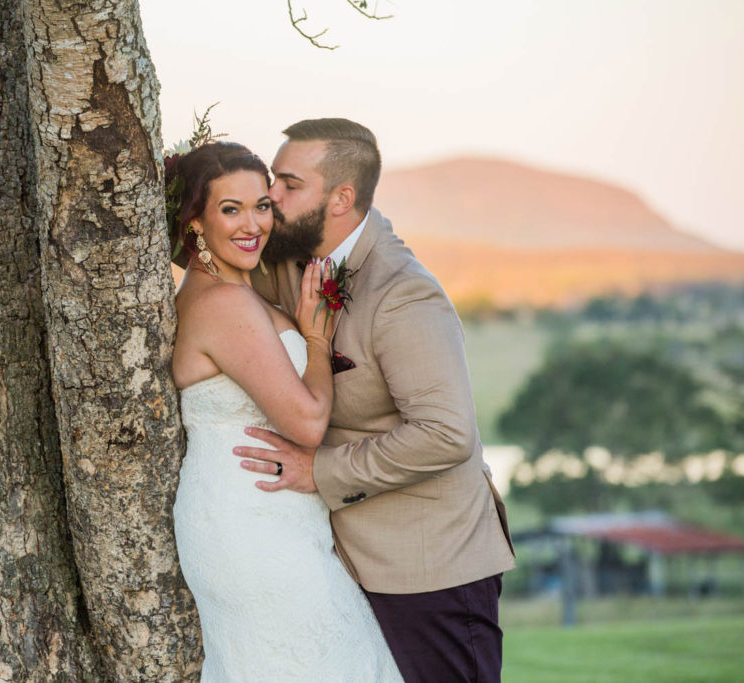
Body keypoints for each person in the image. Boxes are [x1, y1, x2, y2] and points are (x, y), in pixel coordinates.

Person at [235, 118, 517, 683]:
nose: (271, 197)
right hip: (335, 559)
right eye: (273, 179)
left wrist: (319, 470)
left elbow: (446, 434)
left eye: (289, 185)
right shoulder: (286, 257)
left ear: (341, 198)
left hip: (431, 568)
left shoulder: (404, 293)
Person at [168, 141, 403, 682]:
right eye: (231, 209)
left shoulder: (233, 295)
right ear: (195, 223)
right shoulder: (223, 304)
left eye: (262, 205)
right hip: (252, 529)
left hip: (268, 519)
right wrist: (317, 341)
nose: (253, 225)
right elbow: (306, 423)